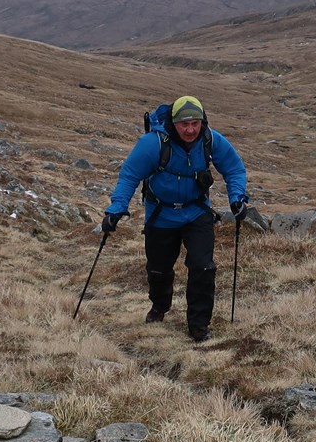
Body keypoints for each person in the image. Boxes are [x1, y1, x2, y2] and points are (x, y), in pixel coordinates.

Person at [101, 95, 248, 342]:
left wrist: (237, 198)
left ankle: (198, 325)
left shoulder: (211, 140)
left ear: (202, 122)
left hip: (197, 212)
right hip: (161, 215)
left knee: (203, 267)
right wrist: (116, 209)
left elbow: (234, 168)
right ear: (174, 123)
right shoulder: (153, 143)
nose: (190, 130)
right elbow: (129, 175)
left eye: (195, 123)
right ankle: (159, 306)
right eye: (184, 124)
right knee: (158, 270)